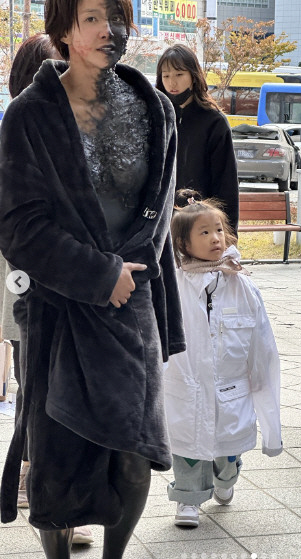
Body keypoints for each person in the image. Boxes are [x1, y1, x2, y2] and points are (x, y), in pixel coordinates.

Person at [0, 1, 185, 558]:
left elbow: (159, 207)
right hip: (61, 305)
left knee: (133, 449)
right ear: (64, 30)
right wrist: (96, 274)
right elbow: (16, 225)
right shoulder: (31, 115)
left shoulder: (155, 109)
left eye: (117, 18)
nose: (110, 30)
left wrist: (128, 276)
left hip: (133, 304)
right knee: (56, 452)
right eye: (92, 19)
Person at [4, 32, 95, 546]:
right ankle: (45, 495)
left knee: (46, 385)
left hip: (59, 282)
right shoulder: (21, 125)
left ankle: (50, 494)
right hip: (25, 283)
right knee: (37, 386)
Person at [165, 189, 282, 528]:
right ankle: (188, 500)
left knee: (227, 450)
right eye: (204, 232)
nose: (215, 238)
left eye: (219, 230)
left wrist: (263, 387)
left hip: (231, 389)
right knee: (187, 447)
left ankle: (226, 479)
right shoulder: (174, 284)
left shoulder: (239, 284)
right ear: (184, 244)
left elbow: (262, 343)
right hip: (185, 387)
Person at [155, 44, 239, 232]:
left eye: (179, 74)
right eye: (166, 76)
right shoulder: (157, 118)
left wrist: (228, 235)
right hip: (162, 224)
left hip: (202, 224)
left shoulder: (214, 121)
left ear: (193, 77)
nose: (172, 83)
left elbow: (226, 185)